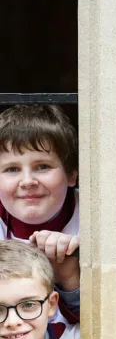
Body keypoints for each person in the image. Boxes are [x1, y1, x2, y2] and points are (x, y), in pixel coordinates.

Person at [0, 105, 81, 324]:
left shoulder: (96, 216)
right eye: (12, 169)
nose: (27, 182)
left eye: (43, 166)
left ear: (71, 175)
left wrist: (70, 279)